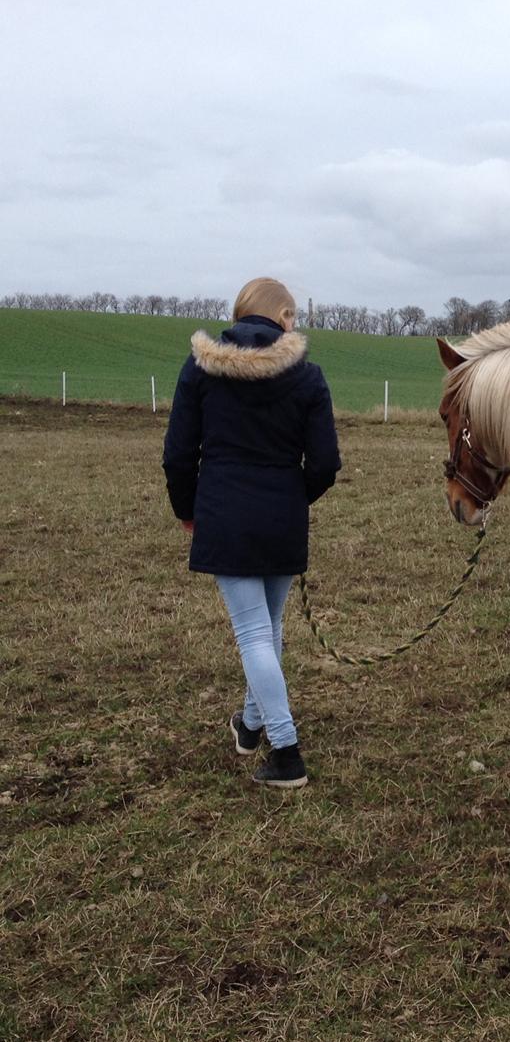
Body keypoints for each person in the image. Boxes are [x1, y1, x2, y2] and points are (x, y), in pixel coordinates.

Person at [163, 277, 340, 788]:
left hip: (225, 516)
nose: (296, 325)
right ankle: (250, 726)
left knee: (255, 634)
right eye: (294, 316)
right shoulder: (308, 377)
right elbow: (325, 463)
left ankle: (285, 752)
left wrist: (187, 509)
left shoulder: (200, 370)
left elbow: (178, 453)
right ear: (282, 315)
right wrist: (291, 498)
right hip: (281, 518)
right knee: (267, 629)